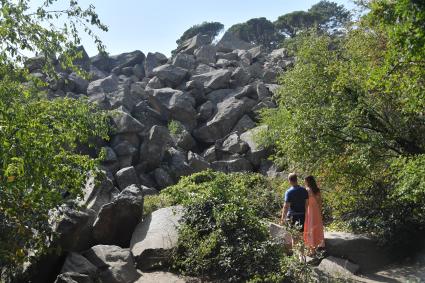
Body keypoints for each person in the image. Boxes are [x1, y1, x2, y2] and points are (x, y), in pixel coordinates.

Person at [303, 175, 325, 254]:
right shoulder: (317, 190)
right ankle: (316, 247)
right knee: (316, 228)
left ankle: (311, 250)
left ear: (307, 181)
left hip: (310, 211)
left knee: (310, 228)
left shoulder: (307, 190)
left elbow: (306, 204)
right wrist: (320, 212)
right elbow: (320, 202)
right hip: (317, 211)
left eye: (305, 181)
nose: (304, 182)